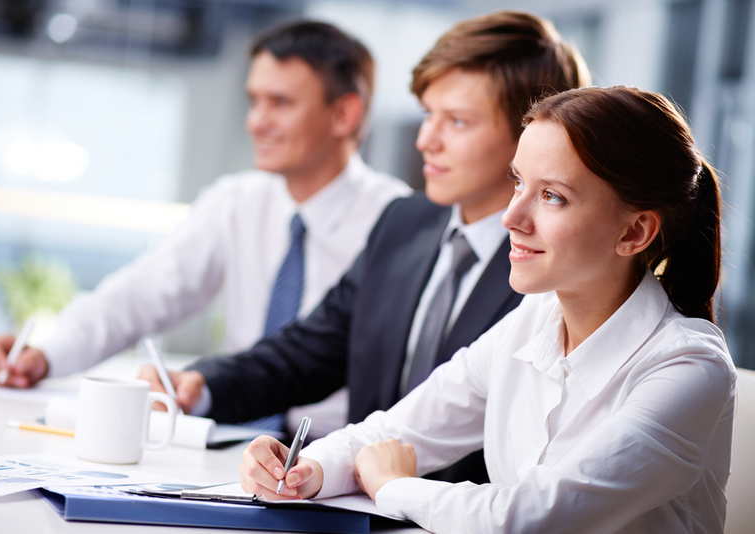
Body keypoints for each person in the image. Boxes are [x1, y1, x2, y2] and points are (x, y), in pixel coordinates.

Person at [241, 86, 736, 533]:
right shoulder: (531, 320)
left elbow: (532, 519)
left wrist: (394, 486)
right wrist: (305, 470)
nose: (511, 217)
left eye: (551, 196)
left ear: (634, 232)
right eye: (518, 182)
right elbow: (394, 432)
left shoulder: (687, 366)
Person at [145, 11, 589, 482]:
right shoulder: (404, 222)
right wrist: (204, 384)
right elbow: (312, 349)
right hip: (350, 500)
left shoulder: (557, 270)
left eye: (457, 122)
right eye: (427, 116)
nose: (426, 141)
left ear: (532, 135)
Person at [0, 21, 410, 388]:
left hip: (337, 456)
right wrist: (44, 354)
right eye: (254, 100)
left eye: (280, 103)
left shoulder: (402, 224)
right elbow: (138, 296)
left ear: (344, 115)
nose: (257, 121)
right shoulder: (236, 202)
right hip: (233, 438)